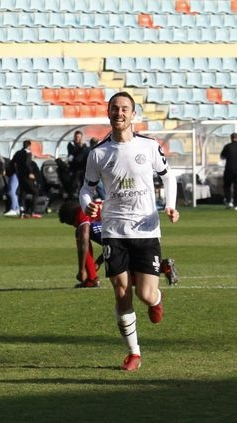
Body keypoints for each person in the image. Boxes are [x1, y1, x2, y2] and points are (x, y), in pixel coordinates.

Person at [80, 91, 180, 372]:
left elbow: (168, 176)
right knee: (121, 291)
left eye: (124, 108)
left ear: (133, 114)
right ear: (108, 113)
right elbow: (86, 188)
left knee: (146, 295)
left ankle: (156, 300)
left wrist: (170, 206)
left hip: (146, 229)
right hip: (114, 230)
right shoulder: (98, 153)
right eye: (114, 108)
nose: (119, 113)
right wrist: (88, 205)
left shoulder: (149, 147)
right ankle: (134, 353)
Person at [58, 199, 102, 288]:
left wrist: (81, 270)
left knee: (81, 235)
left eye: (69, 223)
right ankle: (92, 277)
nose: (73, 225)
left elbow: (84, 241)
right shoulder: (91, 206)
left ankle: (92, 278)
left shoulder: (82, 213)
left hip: (129, 228)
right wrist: (98, 262)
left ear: (70, 217)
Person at [220, 132, 237, 210]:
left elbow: (222, 156)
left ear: (231, 138)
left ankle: (229, 202)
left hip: (229, 169)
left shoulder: (227, 146)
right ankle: (236, 204)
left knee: (227, 186)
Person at [66, 130, 89, 195]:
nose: (77, 139)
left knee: (83, 182)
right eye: (76, 137)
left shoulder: (84, 145)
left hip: (82, 167)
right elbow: (72, 153)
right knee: (74, 182)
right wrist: (79, 147)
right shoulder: (71, 144)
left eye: (79, 137)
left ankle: (82, 194)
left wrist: (82, 147)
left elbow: (85, 153)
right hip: (74, 167)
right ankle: (71, 195)